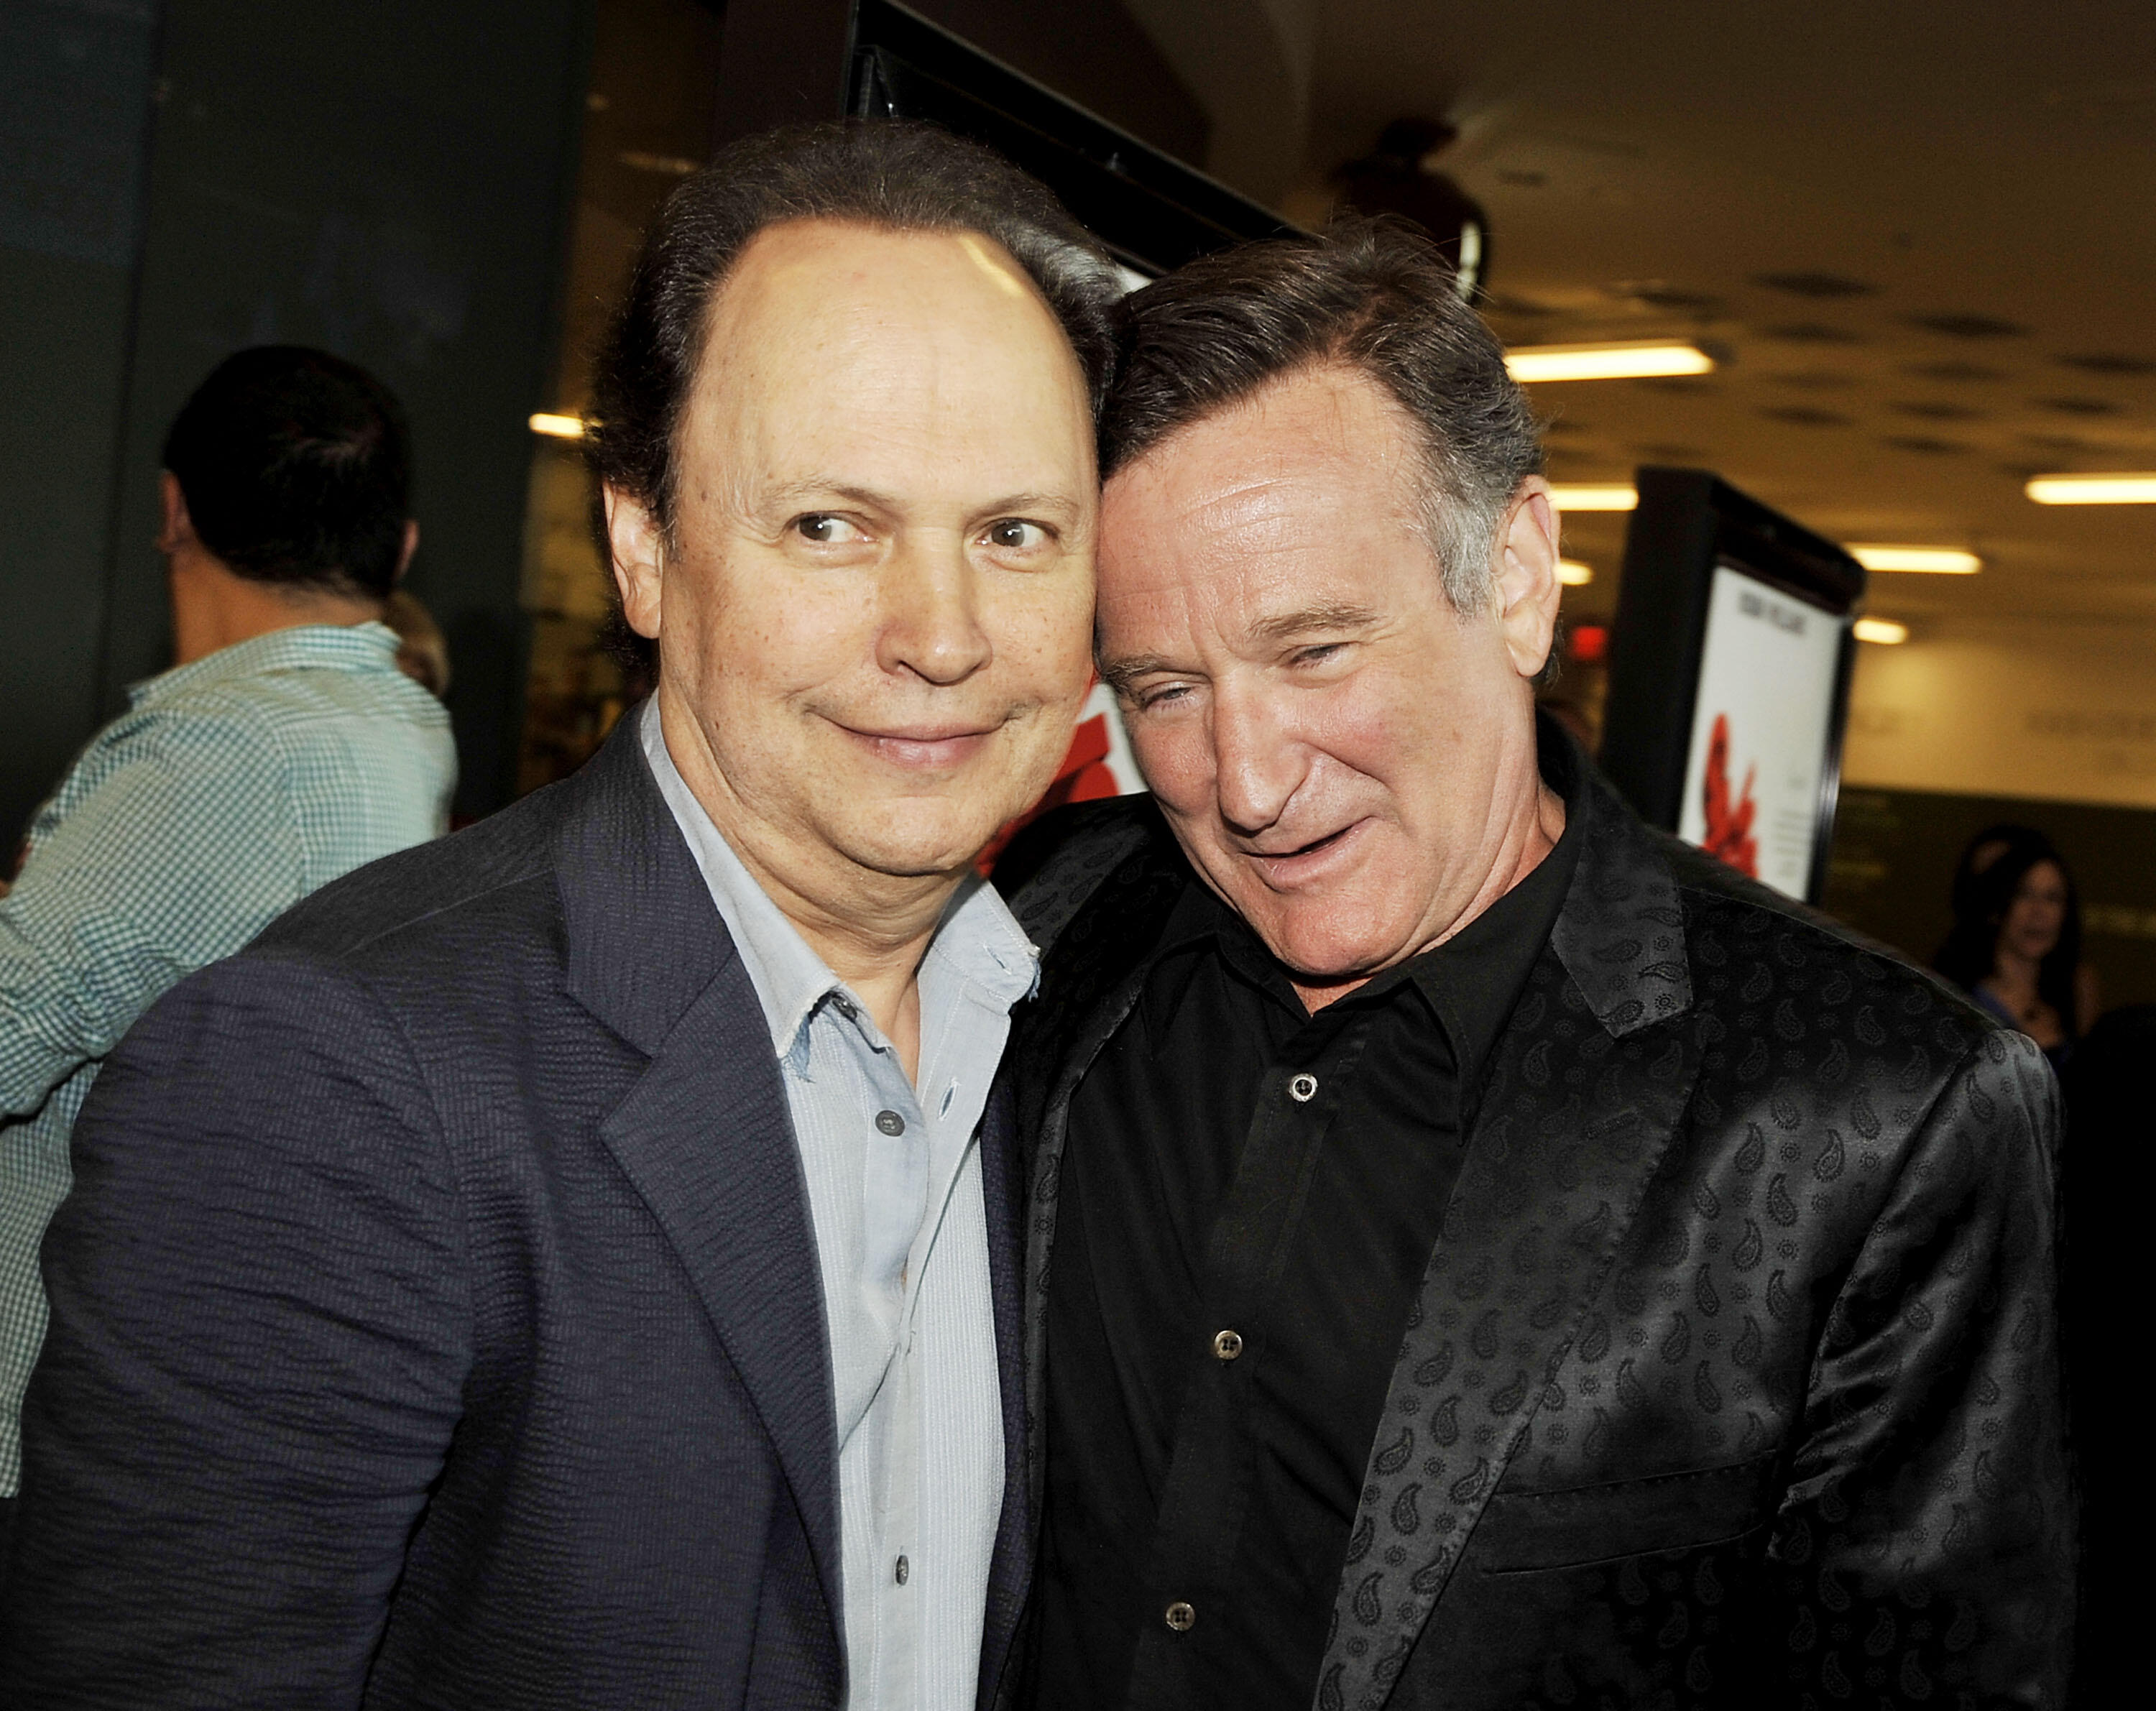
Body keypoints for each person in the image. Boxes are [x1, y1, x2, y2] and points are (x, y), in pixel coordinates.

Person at [1, 121, 1111, 1707]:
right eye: (830, 524)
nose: (942, 634)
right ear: (642, 548)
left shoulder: (1078, 1014)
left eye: (1014, 533)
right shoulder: (325, 1075)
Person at [997, 220, 2071, 1710]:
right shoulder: (1045, 919)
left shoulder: (1871, 1106)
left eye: (1315, 653)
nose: (1245, 779)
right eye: (1165, 688)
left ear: (1514, 575)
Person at [0, 345, 456, 1556]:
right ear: (401, 548)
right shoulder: (400, 725)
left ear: (173, 510)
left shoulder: (229, 752)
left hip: (47, 1413)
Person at [1935, 823, 2096, 1068]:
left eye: (2052, 898)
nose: (2039, 912)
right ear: (1995, 909)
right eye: (2023, 894)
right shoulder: (1955, 994)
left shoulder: (2075, 989)